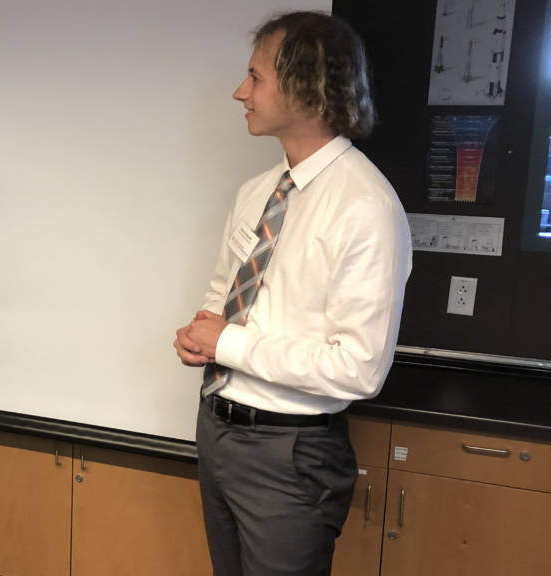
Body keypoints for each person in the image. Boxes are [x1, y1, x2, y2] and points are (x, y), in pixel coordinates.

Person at [173, 12, 411, 576]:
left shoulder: (366, 208)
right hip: (218, 430)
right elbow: (222, 296)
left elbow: (358, 369)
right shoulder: (258, 192)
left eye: (255, 78)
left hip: (291, 455)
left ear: (307, 85)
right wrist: (201, 337)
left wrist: (227, 344)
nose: (240, 92)